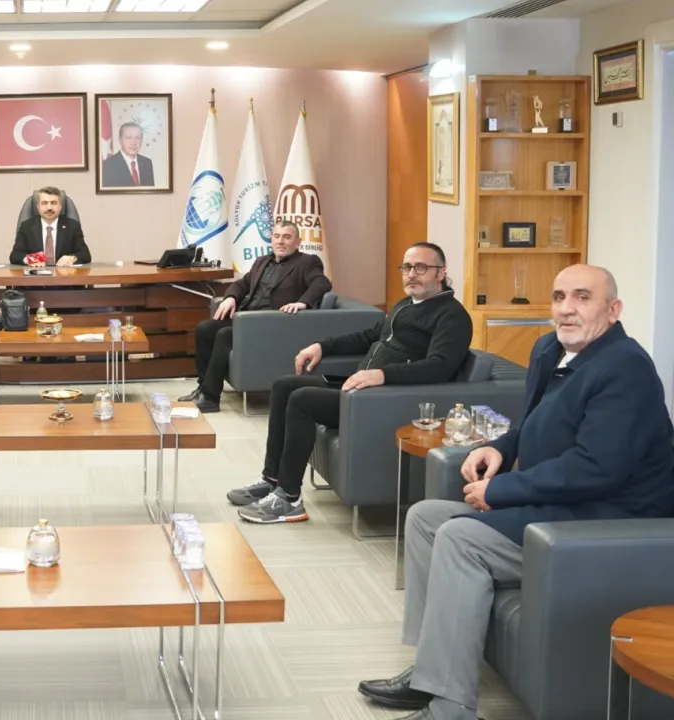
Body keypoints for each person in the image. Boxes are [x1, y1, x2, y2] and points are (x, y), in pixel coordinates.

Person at [357, 265, 674, 720]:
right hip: (555, 505)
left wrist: (501, 489)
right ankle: (431, 670)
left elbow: (595, 468)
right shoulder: (549, 349)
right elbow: (527, 424)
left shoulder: (626, 369)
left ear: (613, 309)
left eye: (583, 297)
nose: (567, 309)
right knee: (425, 517)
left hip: (604, 520)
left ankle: (450, 708)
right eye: (559, 297)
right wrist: (499, 449)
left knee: (461, 537)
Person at [233, 242, 473, 524]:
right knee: (285, 386)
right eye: (407, 267)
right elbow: (370, 336)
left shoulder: (452, 316)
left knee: (302, 400)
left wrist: (383, 375)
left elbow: (439, 367)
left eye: (421, 268)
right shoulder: (406, 305)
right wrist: (322, 346)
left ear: (441, 272)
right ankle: (271, 480)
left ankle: (289, 499)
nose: (411, 274)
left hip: (384, 400)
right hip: (360, 389)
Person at [177, 221, 331, 413]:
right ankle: (203, 388)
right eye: (277, 236)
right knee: (205, 328)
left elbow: (322, 283)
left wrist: (302, 303)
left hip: (272, 324)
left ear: (298, 242)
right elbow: (242, 284)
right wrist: (231, 297)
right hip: (247, 319)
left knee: (226, 335)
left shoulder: (307, 262)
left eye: (287, 237)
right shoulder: (262, 262)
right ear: (271, 239)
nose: (280, 241)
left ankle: (210, 397)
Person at [9, 186, 91, 267]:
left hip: (63, 273)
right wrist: (31, 259)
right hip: (36, 274)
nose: (49, 208)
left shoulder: (72, 226)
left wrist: (72, 258)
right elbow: (15, 255)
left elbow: (85, 254)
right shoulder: (27, 226)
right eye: (44, 203)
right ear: (38, 206)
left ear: (60, 206)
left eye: (53, 203)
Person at [101, 122, 155, 188]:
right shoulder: (107, 166)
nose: (133, 142)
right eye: (129, 137)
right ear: (120, 140)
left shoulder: (147, 163)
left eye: (138, 137)